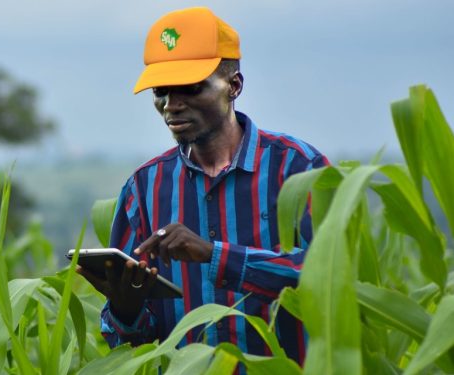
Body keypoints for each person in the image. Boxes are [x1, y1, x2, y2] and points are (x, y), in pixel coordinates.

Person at [76, 6, 329, 367]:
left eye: (191, 88)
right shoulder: (144, 189)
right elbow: (129, 339)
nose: (172, 105)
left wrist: (214, 255)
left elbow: (330, 278)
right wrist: (125, 309)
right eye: (161, 90)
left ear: (234, 86)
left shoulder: (298, 169)